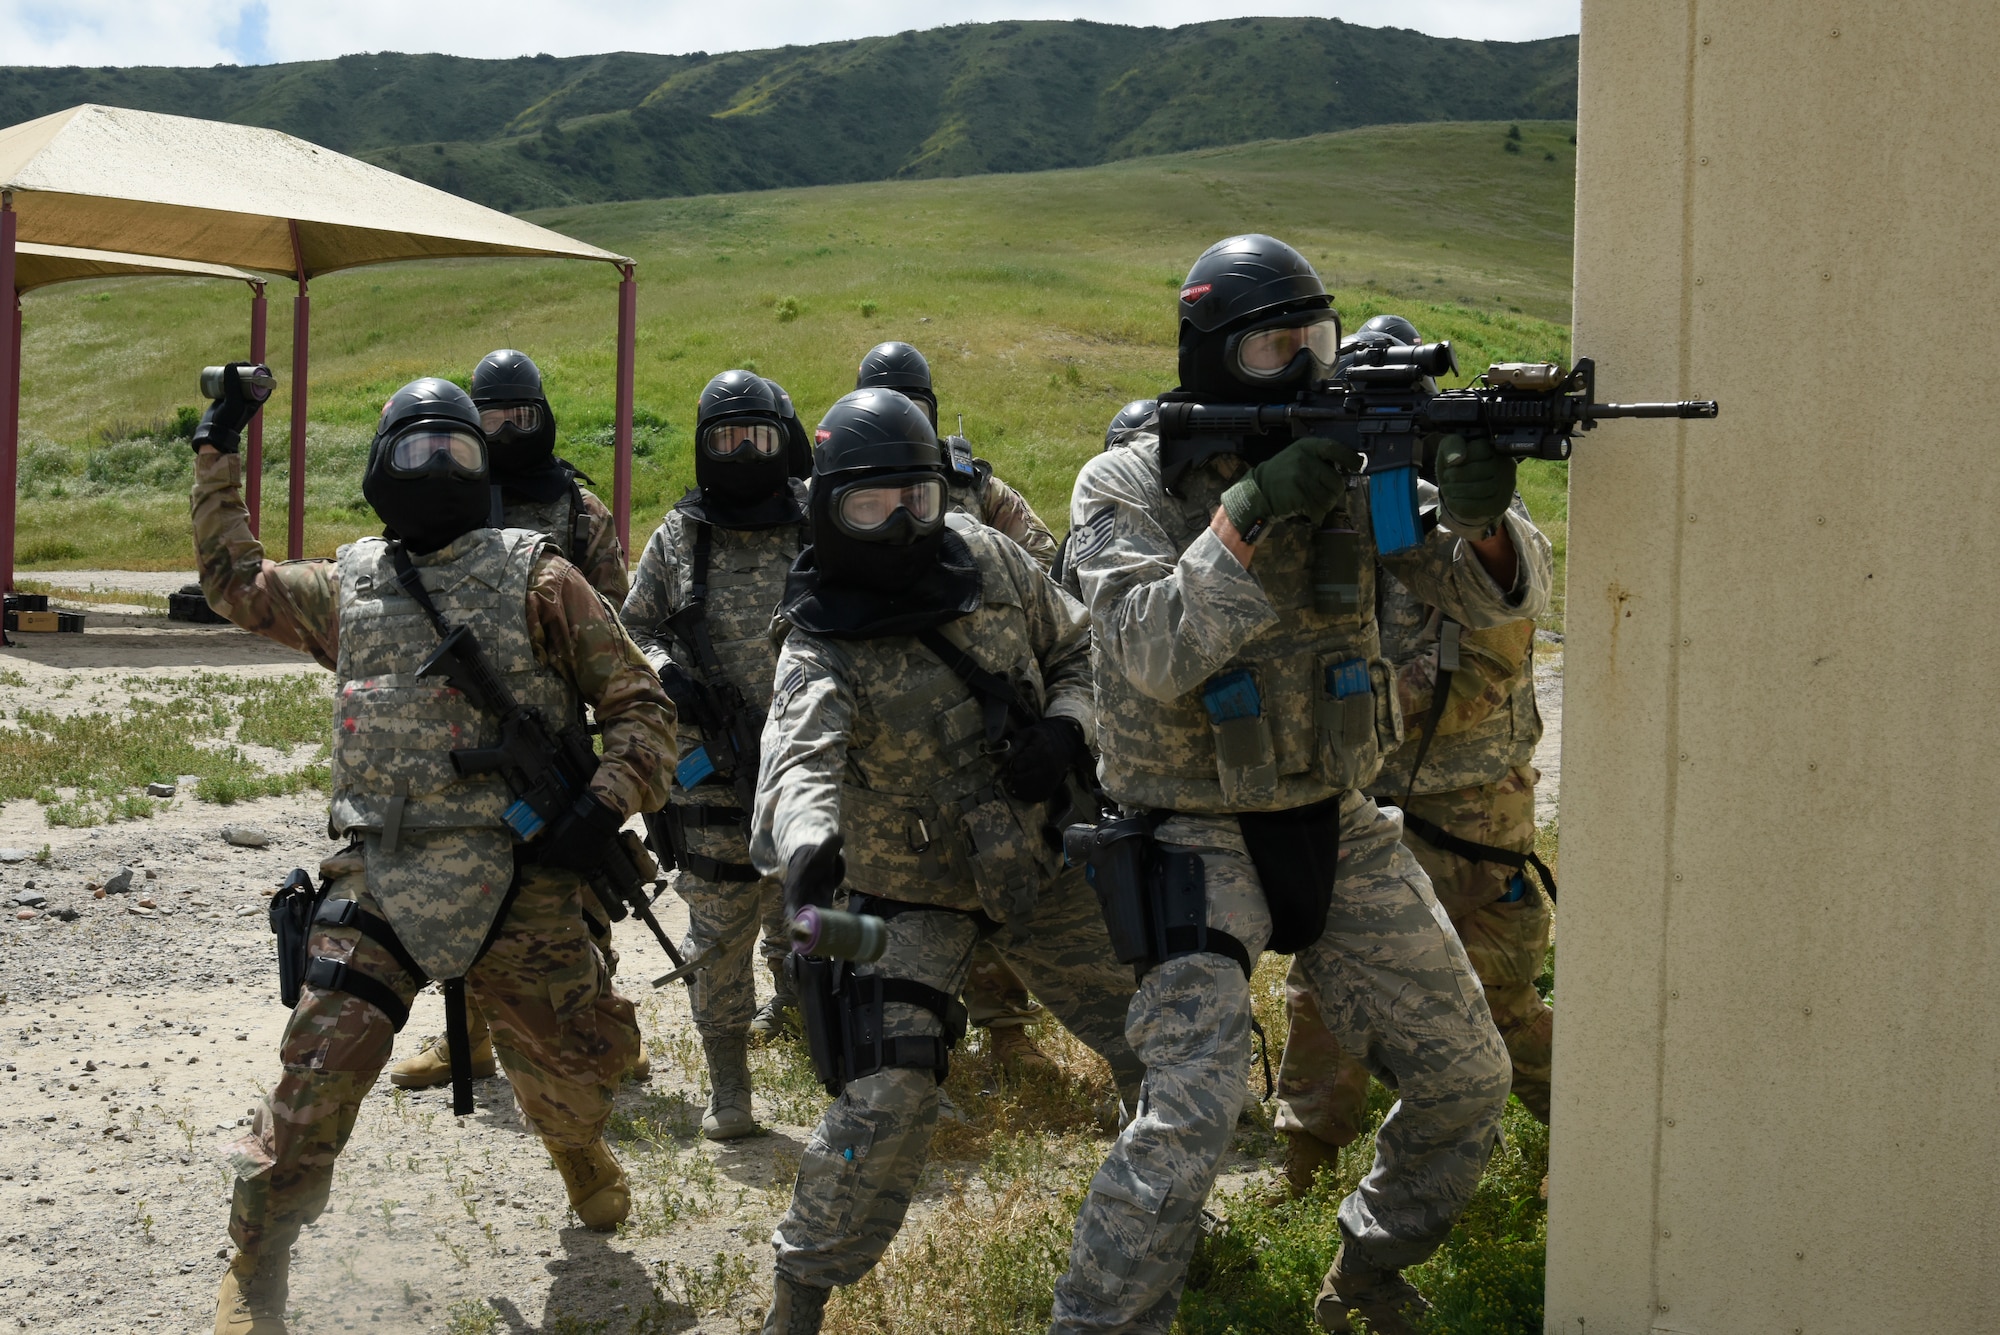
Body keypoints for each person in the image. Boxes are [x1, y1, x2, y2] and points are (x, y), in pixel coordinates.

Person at [1049, 235, 1552, 1335]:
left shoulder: (1354, 474)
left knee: (1467, 1078)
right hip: (1189, 832)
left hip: (1336, 820)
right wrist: (1249, 509)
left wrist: (1478, 519)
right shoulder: (1125, 480)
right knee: (1186, 1118)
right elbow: (1147, 649)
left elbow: (1485, 602)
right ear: (1215, 349)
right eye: (1274, 342)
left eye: (1312, 337)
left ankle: (1364, 1279)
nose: (1301, 357)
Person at [191, 372, 675, 1335]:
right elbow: (234, 583)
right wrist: (216, 452)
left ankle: (575, 1148)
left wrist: (606, 800)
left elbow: (645, 708)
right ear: (380, 468)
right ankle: (256, 1267)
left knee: (580, 1078)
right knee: (310, 1088)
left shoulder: (542, 576)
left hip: (526, 873)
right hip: (384, 877)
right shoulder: (348, 584)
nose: (435, 470)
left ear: (485, 467)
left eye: (455, 452)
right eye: (414, 451)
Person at [753, 388, 1146, 1335]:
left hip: (1043, 864)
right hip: (905, 902)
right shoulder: (818, 636)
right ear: (828, 507)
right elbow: (796, 758)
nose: (901, 524)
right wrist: (807, 847)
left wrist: (1066, 725)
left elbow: (1079, 645)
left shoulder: (994, 558)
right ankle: (798, 1294)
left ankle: (1163, 1226)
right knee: (885, 1095)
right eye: (871, 505)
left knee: (1162, 1044)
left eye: (918, 500)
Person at [1274, 321, 1554, 1196]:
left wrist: (1475, 520)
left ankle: (1606, 1145)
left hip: (1476, 818)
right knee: (1325, 1000)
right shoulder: (1334, 527)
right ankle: (1303, 1172)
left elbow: (1515, 584)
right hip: (1364, 815)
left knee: (1502, 1007)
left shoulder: (1476, 525)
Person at [387, 347, 637, 1092]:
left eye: (518, 416)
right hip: (456, 719)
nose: (503, 430)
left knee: (576, 880)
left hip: (555, 723)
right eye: (489, 417)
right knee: (462, 878)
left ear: (543, 417)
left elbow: (615, 622)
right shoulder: (451, 495)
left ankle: (597, 1020)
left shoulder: (574, 509)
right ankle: (467, 1036)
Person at [857, 340, 1066, 1075]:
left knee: (1006, 870)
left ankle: (1007, 1031)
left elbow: (1041, 565)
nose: (903, 423)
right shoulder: (845, 494)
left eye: (916, 408)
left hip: (988, 700)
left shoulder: (980, 490)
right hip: (893, 723)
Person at [622, 369, 811, 1139]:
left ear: (782, 440)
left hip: (811, 758)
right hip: (713, 769)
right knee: (720, 922)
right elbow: (631, 624)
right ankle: (729, 1084)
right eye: (724, 438)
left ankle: (819, 1029)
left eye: (757, 436)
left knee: (817, 908)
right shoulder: (680, 536)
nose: (741, 452)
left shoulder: (816, 523)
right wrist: (668, 674)